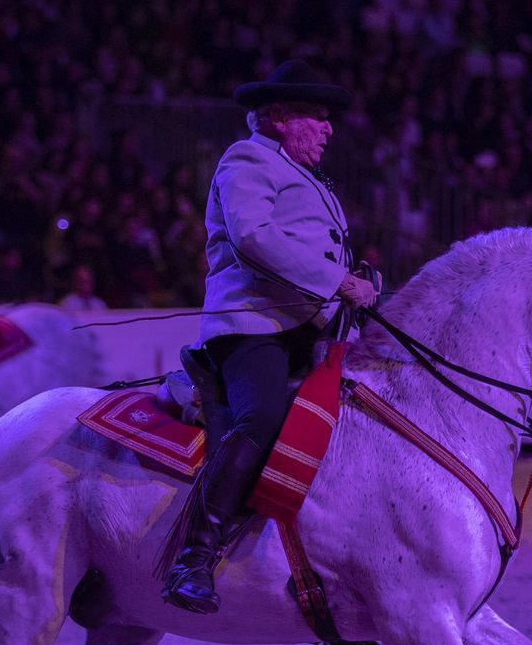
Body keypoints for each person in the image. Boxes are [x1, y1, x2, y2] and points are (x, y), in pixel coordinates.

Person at [161, 60, 380, 615]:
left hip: (307, 328)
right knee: (259, 419)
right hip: (253, 327)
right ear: (280, 116)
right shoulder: (246, 159)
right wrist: (337, 281)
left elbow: (314, 249)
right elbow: (254, 236)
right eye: (319, 118)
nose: (329, 129)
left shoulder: (310, 177)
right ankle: (195, 556)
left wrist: (360, 279)